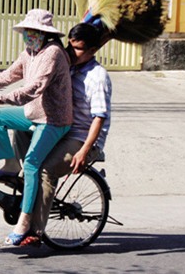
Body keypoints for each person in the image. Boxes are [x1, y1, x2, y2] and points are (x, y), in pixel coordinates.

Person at [0, 9, 73, 246]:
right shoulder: (29, 53)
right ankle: (11, 165)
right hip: (32, 113)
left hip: (54, 119)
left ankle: (25, 221)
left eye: (33, 32)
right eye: (26, 31)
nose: (28, 35)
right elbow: (7, 76)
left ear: (45, 34)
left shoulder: (53, 53)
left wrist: (3, 98)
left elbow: (35, 88)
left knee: (33, 164)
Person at [10, 22, 112, 246]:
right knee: (20, 131)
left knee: (46, 171)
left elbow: (100, 117)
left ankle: (34, 231)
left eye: (78, 49)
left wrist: (85, 150)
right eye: (70, 46)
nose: (71, 52)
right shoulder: (69, 65)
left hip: (81, 138)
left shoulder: (98, 77)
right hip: (59, 126)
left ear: (93, 50)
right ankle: (26, 179)